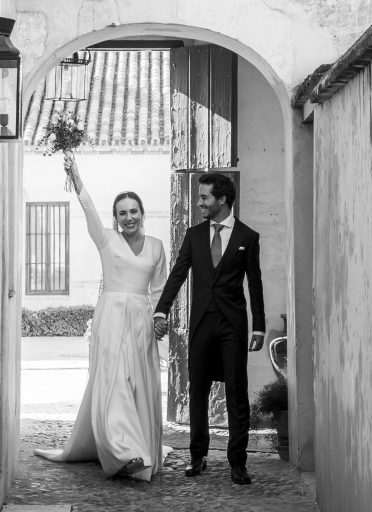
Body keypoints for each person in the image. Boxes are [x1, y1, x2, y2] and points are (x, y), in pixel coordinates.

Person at [34, 152, 169, 481]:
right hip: (110, 317)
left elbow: (160, 289)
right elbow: (89, 210)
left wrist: (160, 318)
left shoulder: (155, 246)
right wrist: (76, 177)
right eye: (122, 213)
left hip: (141, 321)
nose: (128, 217)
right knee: (113, 382)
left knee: (141, 383)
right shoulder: (106, 240)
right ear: (115, 218)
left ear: (142, 213)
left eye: (133, 211)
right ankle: (125, 453)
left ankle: (140, 445)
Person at [153, 172, 265, 485]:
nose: (200, 202)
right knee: (197, 389)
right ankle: (197, 455)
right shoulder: (194, 235)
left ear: (223, 199)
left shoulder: (247, 237)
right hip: (201, 322)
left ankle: (238, 462)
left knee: (236, 391)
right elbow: (177, 275)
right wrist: (162, 310)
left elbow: (254, 284)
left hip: (233, 325)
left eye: (204, 197)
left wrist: (259, 327)